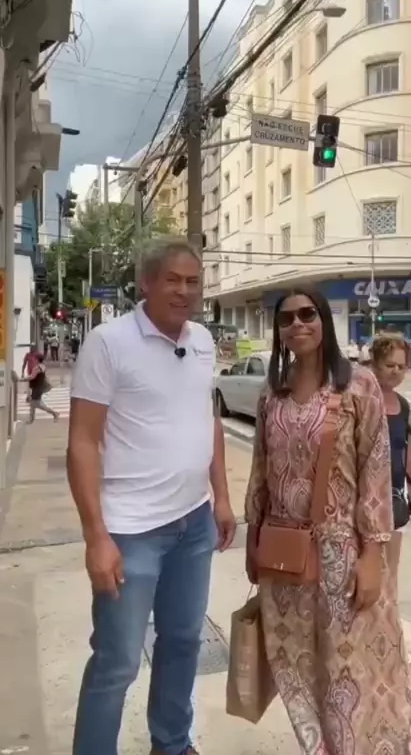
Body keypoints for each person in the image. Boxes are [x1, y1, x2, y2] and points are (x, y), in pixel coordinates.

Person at [67, 238, 236, 755]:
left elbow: (208, 420)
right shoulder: (108, 342)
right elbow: (82, 441)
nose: (184, 291)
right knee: (117, 661)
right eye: (173, 280)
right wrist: (96, 537)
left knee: (183, 642)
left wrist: (221, 497)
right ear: (146, 283)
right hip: (130, 531)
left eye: (193, 282)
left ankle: (172, 743)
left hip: (194, 524)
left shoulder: (202, 340)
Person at [244, 289, 411, 755]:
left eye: (308, 314)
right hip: (285, 558)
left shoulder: (358, 386)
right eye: (287, 318)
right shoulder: (273, 392)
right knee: (299, 669)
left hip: (344, 557)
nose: (297, 324)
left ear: (324, 319)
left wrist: (373, 554)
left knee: (353, 674)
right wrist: (253, 538)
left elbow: (376, 471)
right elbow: (261, 468)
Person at [370, 333, 411, 589]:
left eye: (401, 367)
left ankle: (388, 609)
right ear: (375, 363)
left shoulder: (402, 405)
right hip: (365, 497)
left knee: (390, 571)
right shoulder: (362, 399)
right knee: (367, 569)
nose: (396, 371)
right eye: (389, 365)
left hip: (394, 496)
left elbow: (407, 447)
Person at [28, 354, 59, 423]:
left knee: (37, 404)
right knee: (32, 404)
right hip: (39, 387)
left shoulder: (37, 368)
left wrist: (21, 379)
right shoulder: (43, 366)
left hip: (36, 388)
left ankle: (54, 413)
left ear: (36, 360)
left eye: (35, 359)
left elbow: (32, 377)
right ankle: (31, 419)